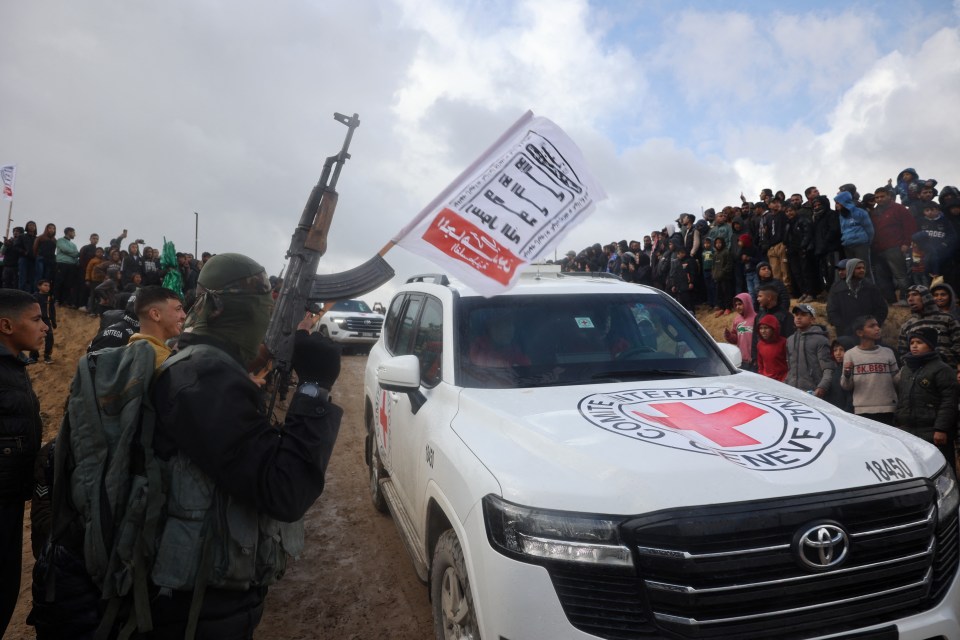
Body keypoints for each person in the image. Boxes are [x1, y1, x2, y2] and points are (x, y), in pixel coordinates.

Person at [0, 289, 47, 636]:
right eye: (35, 319)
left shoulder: (14, 366)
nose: (44, 326)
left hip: (11, 499)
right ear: (6, 324)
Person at [894, 327, 959, 463]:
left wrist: (941, 428)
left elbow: (949, 401)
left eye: (919, 342)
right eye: (912, 343)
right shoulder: (906, 369)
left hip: (933, 432)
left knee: (942, 470)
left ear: (930, 345)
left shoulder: (942, 369)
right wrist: (900, 422)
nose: (914, 346)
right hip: (909, 432)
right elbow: (902, 398)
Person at [840, 315, 899, 425]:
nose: (877, 328)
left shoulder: (888, 352)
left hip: (887, 408)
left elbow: (896, 380)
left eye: (877, 325)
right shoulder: (851, 354)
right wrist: (847, 374)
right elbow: (846, 386)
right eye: (872, 326)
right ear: (860, 333)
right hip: (863, 409)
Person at [870, 187, 915, 305]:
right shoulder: (874, 213)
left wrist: (906, 243)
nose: (879, 199)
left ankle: (906, 299)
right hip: (878, 249)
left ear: (889, 196)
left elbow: (909, 226)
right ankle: (891, 301)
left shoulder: (899, 208)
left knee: (901, 275)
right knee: (882, 278)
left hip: (895, 247)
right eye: (877, 197)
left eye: (882, 196)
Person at [897, 285, 960, 367]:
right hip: (920, 373)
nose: (910, 299)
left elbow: (958, 343)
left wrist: (944, 358)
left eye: (915, 295)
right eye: (908, 296)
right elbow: (902, 353)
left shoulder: (946, 319)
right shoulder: (907, 325)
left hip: (946, 370)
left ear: (926, 297)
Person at [826, 258, 888, 339]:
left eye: (863, 268)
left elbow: (882, 308)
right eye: (858, 268)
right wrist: (843, 327)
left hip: (869, 335)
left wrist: (872, 325)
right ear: (850, 269)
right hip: (846, 334)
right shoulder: (837, 288)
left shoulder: (870, 287)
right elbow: (832, 310)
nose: (862, 270)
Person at [128, 285, 186, 367]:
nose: (184, 316)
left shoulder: (129, 350)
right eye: (178, 309)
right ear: (156, 315)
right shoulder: (163, 360)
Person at [785, 303, 834, 398]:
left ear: (812, 319)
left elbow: (828, 368)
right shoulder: (790, 340)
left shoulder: (821, 339)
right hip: (792, 391)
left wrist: (822, 387)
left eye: (803, 315)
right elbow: (790, 368)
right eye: (796, 315)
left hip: (813, 392)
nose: (798, 318)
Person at [835, 190, 874, 279]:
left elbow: (869, 229)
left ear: (844, 202)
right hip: (848, 245)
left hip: (861, 244)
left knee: (864, 269)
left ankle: (870, 290)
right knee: (852, 270)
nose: (836, 205)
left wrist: (868, 242)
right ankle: (857, 291)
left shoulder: (860, 212)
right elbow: (843, 229)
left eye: (838, 203)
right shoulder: (841, 215)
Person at [752, 284, 794, 365]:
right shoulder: (758, 316)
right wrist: (754, 358)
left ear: (769, 297)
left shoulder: (786, 316)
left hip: (780, 362)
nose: (757, 299)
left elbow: (790, 340)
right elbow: (754, 338)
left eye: (760, 296)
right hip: (762, 362)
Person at [724, 293, 756, 370]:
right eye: (736, 305)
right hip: (742, 360)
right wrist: (729, 336)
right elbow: (736, 339)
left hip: (755, 360)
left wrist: (757, 357)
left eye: (740, 304)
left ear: (747, 303)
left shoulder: (757, 318)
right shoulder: (737, 320)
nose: (738, 307)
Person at [824, 337, 856, 412]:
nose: (837, 353)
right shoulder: (836, 369)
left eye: (842, 350)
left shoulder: (853, 369)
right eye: (835, 350)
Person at [756, 314, 788, 382]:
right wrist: (762, 377)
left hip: (782, 381)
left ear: (774, 329)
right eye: (761, 328)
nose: (763, 331)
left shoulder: (784, 343)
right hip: (766, 381)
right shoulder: (760, 344)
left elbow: (789, 364)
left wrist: (784, 379)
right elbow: (760, 364)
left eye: (766, 328)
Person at [31, 279, 56, 364]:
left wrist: (54, 321)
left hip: (46, 320)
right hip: (36, 320)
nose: (47, 287)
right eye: (45, 285)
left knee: (50, 337)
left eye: (48, 286)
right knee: (35, 338)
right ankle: (33, 356)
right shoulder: (34, 297)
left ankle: (47, 356)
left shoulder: (50, 297)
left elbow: (52, 310)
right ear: (39, 286)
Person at [54, 227, 80, 308]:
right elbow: (65, 250)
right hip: (61, 263)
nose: (74, 235)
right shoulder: (60, 240)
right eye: (73, 232)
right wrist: (74, 253)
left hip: (72, 265)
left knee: (68, 284)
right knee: (59, 282)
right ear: (69, 232)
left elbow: (77, 255)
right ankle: (56, 300)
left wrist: (74, 254)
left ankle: (65, 301)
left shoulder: (73, 244)